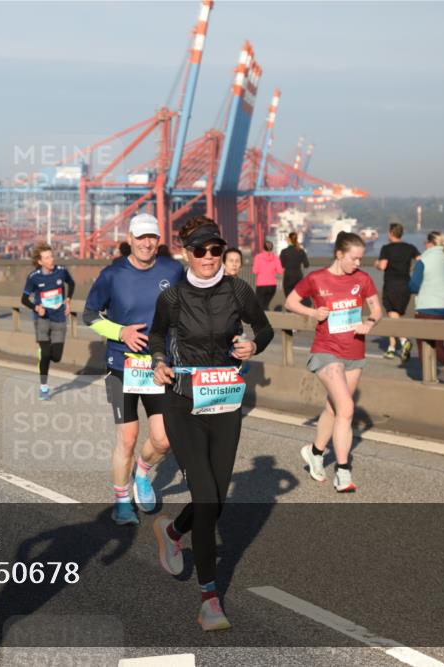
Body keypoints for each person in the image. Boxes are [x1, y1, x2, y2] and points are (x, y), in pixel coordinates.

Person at [149, 217, 273, 631]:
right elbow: (155, 336)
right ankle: (209, 598)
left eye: (214, 250)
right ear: (186, 252)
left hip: (223, 401)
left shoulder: (238, 289)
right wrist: (159, 362)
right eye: (199, 250)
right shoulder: (172, 296)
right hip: (182, 402)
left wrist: (254, 344)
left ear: (222, 251)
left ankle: (173, 530)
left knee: (217, 501)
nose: (207, 257)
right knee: (205, 498)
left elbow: (266, 327)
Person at [82, 213, 185, 525]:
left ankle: (142, 472)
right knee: (127, 438)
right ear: (130, 239)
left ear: (158, 239)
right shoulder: (113, 274)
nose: (147, 243)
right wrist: (120, 332)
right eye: (141, 237)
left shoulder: (172, 270)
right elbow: (88, 315)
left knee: (164, 439)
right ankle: (122, 500)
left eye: (152, 236)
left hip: (158, 366)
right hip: (120, 366)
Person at [285, 231, 381, 493]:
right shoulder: (316, 279)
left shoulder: (363, 279)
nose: (359, 264)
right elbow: (291, 301)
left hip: (355, 353)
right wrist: (313, 312)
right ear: (339, 254)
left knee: (334, 408)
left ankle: (315, 452)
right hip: (325, 350)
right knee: (347, 408)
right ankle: (342, 471)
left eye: (361, 259)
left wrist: (369, 323)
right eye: (354, 258)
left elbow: (376, 309)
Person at [21, 243, 75, 400]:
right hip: (42, 319)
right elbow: (24, 299)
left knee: (56, 357)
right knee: (45, 354)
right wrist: (36, 307)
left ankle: (45, 354)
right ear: (40, 261)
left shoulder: (61, 272)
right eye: (47, 258)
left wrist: (68, 300)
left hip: (59, 318)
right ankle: (44, 387)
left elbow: (71, 283)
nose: (51, 260)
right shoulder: (34, 277)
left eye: (51, 256)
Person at [409, 231, 444, 385]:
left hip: (426, 308)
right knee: (439, 344)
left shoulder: (423, 261)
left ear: (430, 244)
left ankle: (431, 378)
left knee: (423, 343)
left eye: (425, 242)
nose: (424, 245)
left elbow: (414, 286)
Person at [375, 223, 420, 361]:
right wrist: (412, 267)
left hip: (391, 284)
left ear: (390, 233)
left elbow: (382, 266)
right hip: (406, 284)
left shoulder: (386, 248)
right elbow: (421, 260)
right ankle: (392, 348)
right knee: (394, 315)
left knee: (392, 314)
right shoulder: (410, 247)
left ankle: (403, 340)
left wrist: (376, 264)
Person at [252, 240, 283, 311]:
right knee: (265, 304)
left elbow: (255, 271)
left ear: (263, 248)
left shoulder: (258, 257)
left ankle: (262, 319)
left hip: (261, 285)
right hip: (272, 286)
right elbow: (280, 271)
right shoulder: (276, 258)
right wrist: (273, 270)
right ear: (272, 248)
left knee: (260, 304)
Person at [279, 232, 310, 298]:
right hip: (298, 276)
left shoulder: (284, 251)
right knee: (297, 298)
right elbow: (306, 265)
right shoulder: (301, 251)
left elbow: (281, 265)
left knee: (288, 297)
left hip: (288, 276)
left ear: (289, 240)